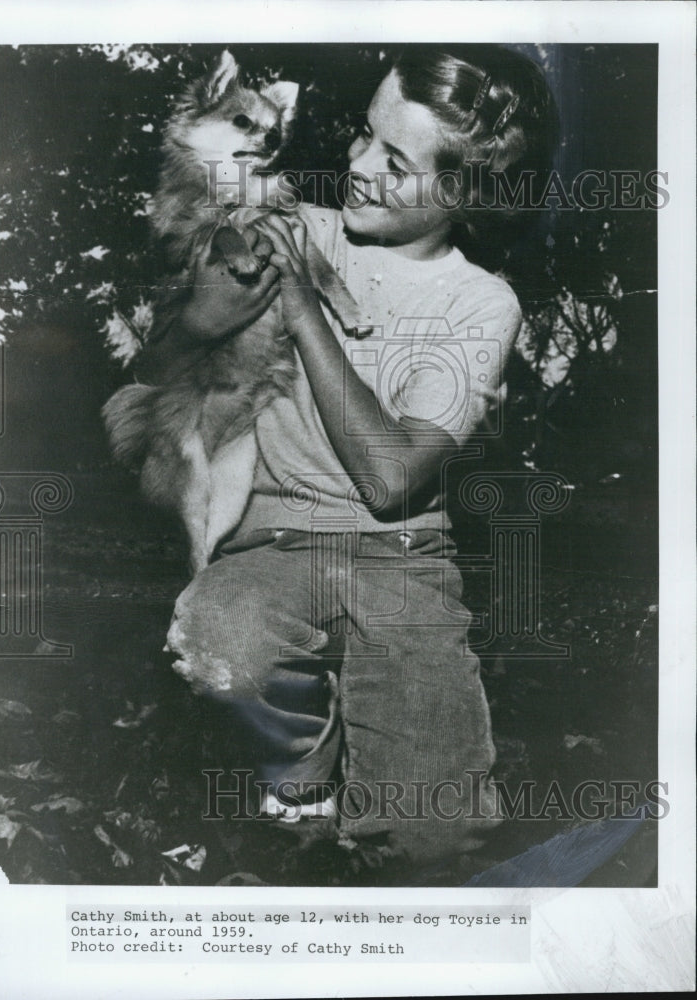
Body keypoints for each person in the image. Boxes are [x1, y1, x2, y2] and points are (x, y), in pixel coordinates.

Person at [136, 44, 558, 875]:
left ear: (464, 193)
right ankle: (299, 772)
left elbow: (391, 474)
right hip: (273, 546)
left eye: (394, 161)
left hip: (404, 561)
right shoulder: (291, 225)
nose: (356, 164)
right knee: (222, 638)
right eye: (365, 135)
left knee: (435, 836)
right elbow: (163, 362)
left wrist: (302, 311)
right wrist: (194, 319)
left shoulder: (479, 304)